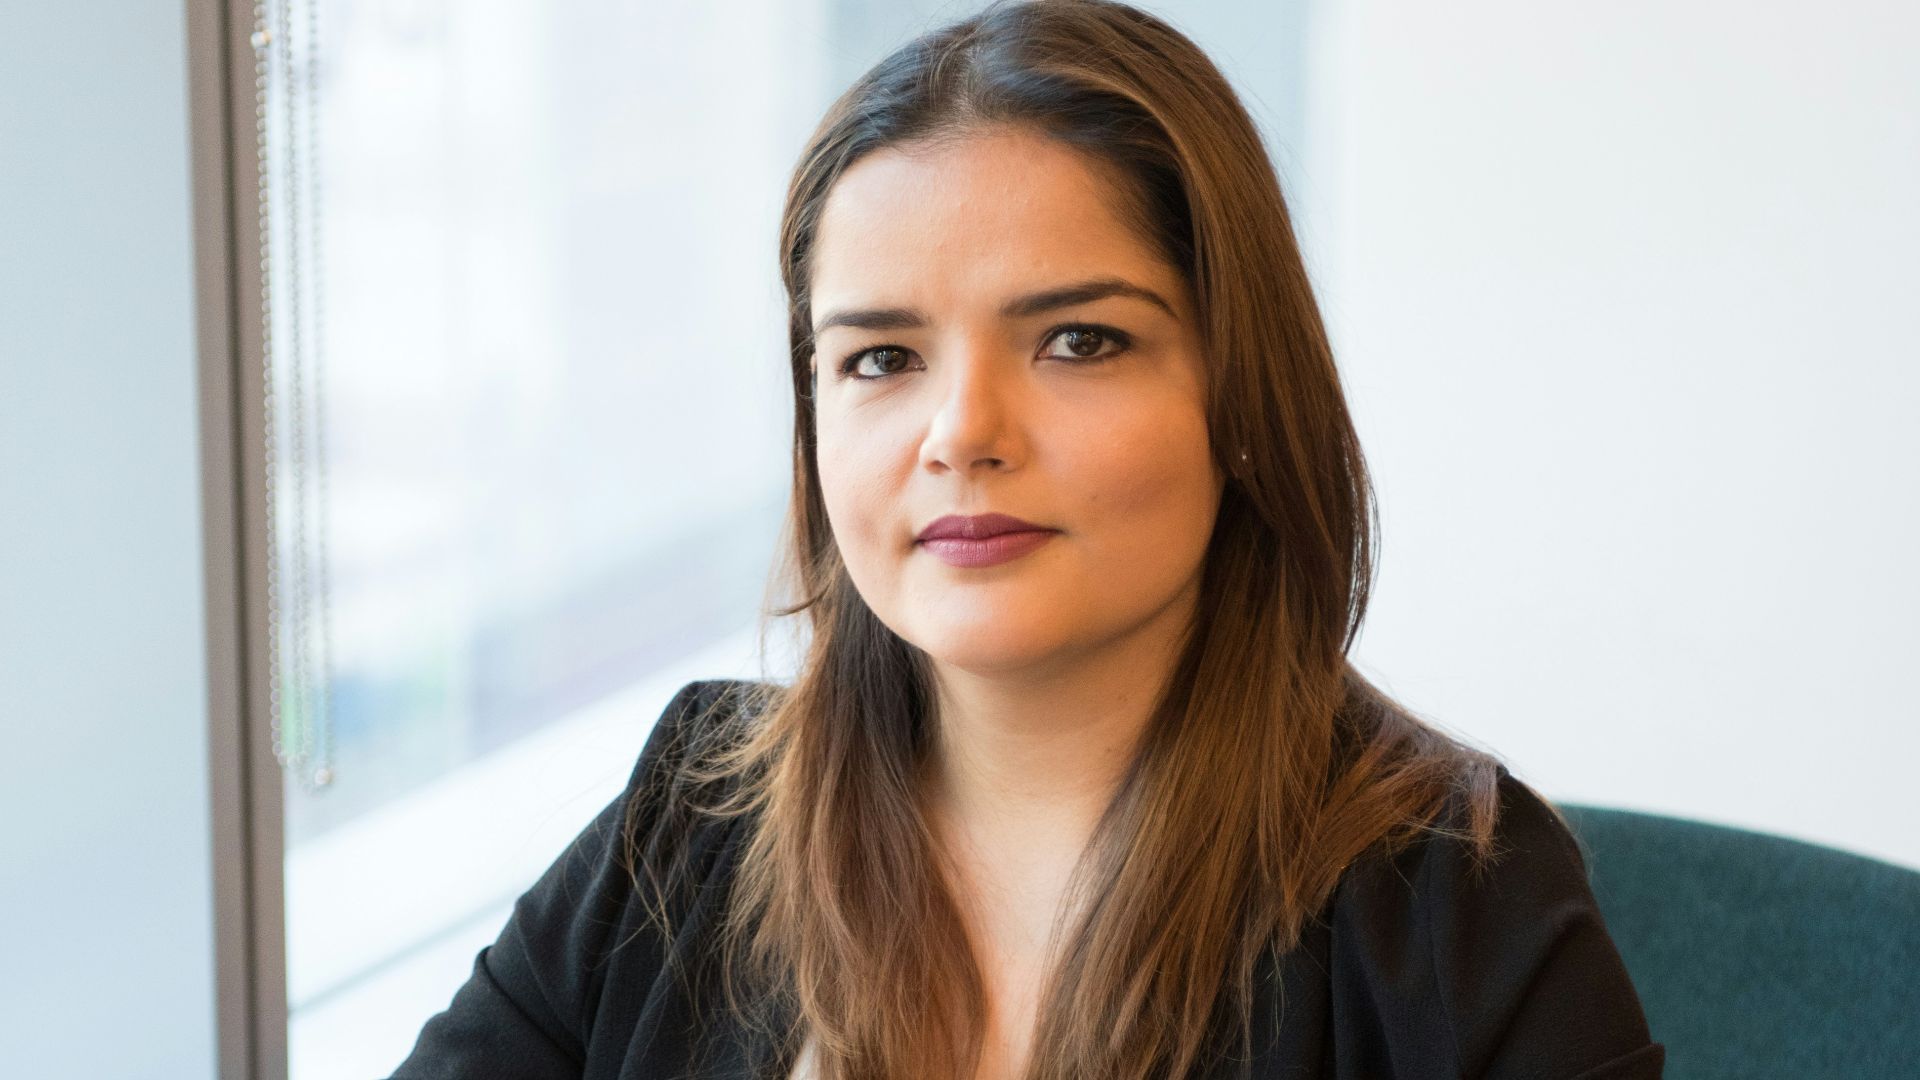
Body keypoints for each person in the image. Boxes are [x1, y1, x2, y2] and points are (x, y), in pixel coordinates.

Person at [390, 1, 1665, 1077]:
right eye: (880, 358)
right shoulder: (688, 826)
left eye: (1077, 341)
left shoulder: (1453, 907)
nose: (961, 433)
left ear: (1236, 393)